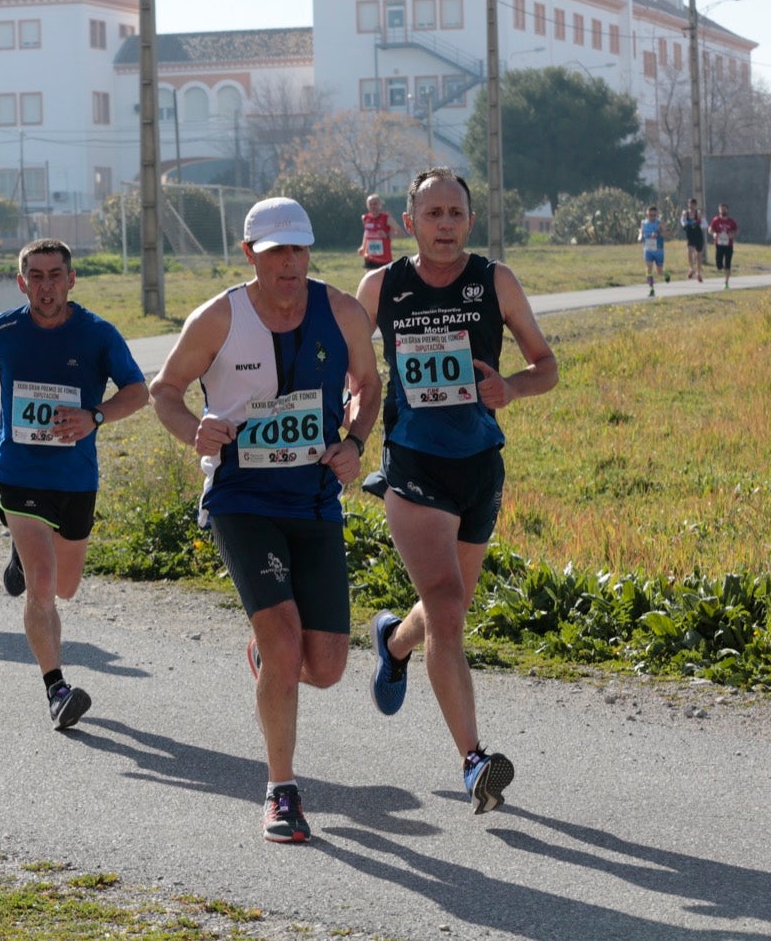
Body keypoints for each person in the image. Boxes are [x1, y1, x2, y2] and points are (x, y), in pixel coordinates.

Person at [151, 198, 381, 842]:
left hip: (314, 499)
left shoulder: (343, 311)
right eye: (276, 250)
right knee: (285, 643)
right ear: (249, 253)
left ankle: (266, 655)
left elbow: (368, 384)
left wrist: (355, 441)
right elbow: (164, 390)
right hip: (242, 497)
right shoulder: (218, 317)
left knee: (326, 666)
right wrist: (193, 430)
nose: (289, 262)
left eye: (299, 249)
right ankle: (282, 792)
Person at [356, 168, 557, 816]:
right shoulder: (381, 286)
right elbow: (354, 371)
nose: (445, 225)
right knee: (446, 608)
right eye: (432, 213)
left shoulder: (495, 280)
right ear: (408, 222)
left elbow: (546, 366)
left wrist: (511, 388)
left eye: (456, 213)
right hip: (414, 461)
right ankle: (474, 761)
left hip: (479, 463)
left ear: (470, 220)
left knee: (449, 609)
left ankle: (394, 642)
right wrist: (348, 418)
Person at [0, 239, 148, 731]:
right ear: (22, 283)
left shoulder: (97, 334)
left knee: (65, 587)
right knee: (41, 584)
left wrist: (95, 416)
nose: (46, 286)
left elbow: (138, 392)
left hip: (75, 477)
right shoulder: (3, 328)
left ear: (71, 279)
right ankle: (56, 689)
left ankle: (21, 554)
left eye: (55, 275)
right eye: (36, 276)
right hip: (19, 472)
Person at [358, 192, 405, 270]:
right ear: (367, 206)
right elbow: (366, 233)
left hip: (384, 259)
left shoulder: (386, 218)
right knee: (369, 277)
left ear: (380, 205)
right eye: (370, 204)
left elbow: (401, 233)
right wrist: (363, 246)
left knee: (385, 278)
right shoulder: (365, 218)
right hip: (369, 257)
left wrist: (387, 235)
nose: (373, 206)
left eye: (375, 204)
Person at [639, 205, 668, 296]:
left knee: (659, 271)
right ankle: (652, 289)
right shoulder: (643, 223)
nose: (652, 217)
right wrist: (640, 237)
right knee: (649, 269)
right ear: (646, 214)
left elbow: (665, 233)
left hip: (658, 250)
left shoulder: (659, 223)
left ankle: (665, 273)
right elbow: (641, 232)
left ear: (657, 215)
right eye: (650, 215)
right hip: (648, 250)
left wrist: (658, 234)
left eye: (654, 215)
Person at [709, 202, 739, 289]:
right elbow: (710, 229)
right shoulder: (716, 220)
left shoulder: (731, 221)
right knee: (719, 265)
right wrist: (714, 233)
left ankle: (726, 282)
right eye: (721, 209)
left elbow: (736, 230)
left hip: (728, 245)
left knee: (727, 263)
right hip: (719, 244)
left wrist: (732, 234)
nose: (723, 211)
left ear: (727, 210)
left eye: (724, 209)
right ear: (719, 210)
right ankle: (722, 269)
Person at [679, 197, 706, 281]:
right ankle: (691, 268)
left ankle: (699, 273)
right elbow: (682, 221)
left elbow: (705, 224)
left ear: (695, 205)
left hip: (698, 235)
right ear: (688, 204)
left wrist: (697, 224)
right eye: (690, 204)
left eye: (693, 204)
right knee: (689, 251)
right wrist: (685, 225)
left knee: (698, 254)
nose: (691, 205)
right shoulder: (685, 213)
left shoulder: (698, 213)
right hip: (690, 235)